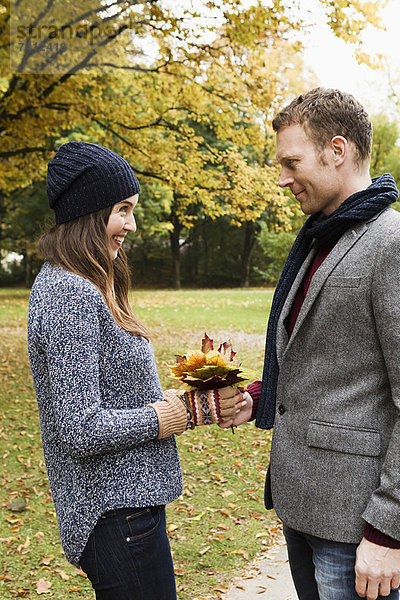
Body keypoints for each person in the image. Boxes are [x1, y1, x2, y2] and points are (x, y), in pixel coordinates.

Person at [27, 141, 242, 600]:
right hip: (115, 514)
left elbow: (106, 398)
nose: (132, 224)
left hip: (122, 511)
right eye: (122, 209)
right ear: (90, 211)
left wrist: (186, 399)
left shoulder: (77, 283)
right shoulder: (71, 292)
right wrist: (174, 416)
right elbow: (78, 428)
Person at [224, 88, 400, 600]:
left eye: (291, 161)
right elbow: (320, 358)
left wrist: (387, 530)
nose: (282, 178)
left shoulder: (390, 244)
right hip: (303, 507)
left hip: (358, 527)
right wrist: (258, 396)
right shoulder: (322, 236)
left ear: (337, 150)